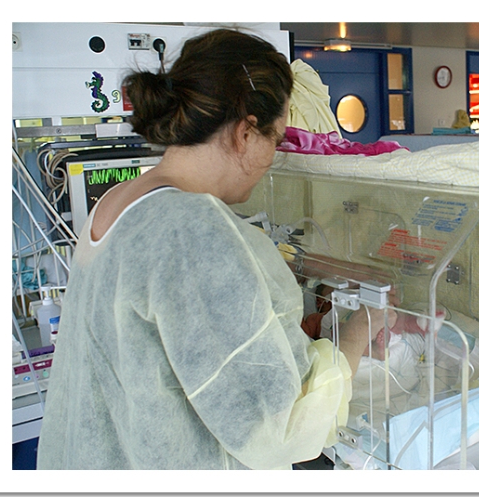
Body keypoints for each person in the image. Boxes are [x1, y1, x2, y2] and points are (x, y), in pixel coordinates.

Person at [36, 28, 396, 470]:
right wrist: (360, 326)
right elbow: (281, 428)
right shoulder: (192, 231)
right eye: (276, 139)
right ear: (246, 133)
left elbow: (171, 354)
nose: (271, 159)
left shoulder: (119, 203)